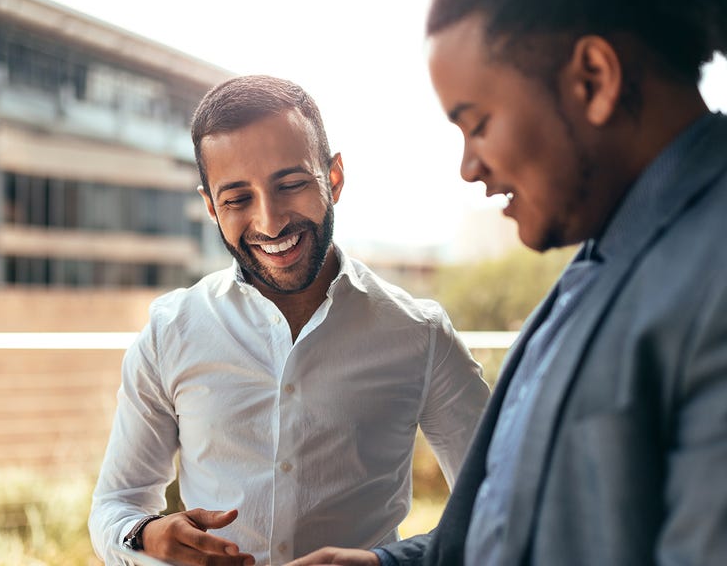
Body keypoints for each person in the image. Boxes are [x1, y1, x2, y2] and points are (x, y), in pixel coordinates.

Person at [287, 0, 727, 565]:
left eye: (478, 124)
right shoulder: (596, 264)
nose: (470, 167)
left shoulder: (710, 277)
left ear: (594, 80)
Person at [88, 74, 489, 566]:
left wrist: (386, 565)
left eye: (292, 185)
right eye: (237, 199)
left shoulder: (421, 335)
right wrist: (146, 535)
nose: (271, 222)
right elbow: (117, 504)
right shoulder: (171, 331)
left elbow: (500, 506)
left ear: (334, 178)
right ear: (211, 207)